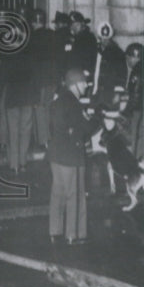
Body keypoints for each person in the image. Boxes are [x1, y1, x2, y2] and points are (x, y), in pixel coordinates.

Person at [47, 68, 100, 245]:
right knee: (76, 195)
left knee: (58, 193)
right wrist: (98, 118)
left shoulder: (56, 102)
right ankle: (74, 234)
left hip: (55, 155)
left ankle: (54, 231)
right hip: (72, 156)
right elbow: (86, 130)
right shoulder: (74, 104)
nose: (86, 85)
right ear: (75, 84)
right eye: (84, 82)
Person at [0, 18, 34, 174]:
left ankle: (14, 164)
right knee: (25, 130)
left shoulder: (6, 53)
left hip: (12, 95)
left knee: (13, 130)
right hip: (27, 95)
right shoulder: (29, 51)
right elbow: (34, 76)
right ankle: (23, 162)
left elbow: (2, 77)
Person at [27, 8, 57, 148]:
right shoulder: (52, 34)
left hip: (39, 80)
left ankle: (43, 140)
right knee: (49, 108)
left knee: (39, 109)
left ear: (33, 22)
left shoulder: (31, 38)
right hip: (52, 79)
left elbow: (30, 62)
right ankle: (51, 138)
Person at [91, 22, 127, 108]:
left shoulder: (118, 54)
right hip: (95, 92)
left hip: (109, 93)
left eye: (107, 39)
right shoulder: (95, 51)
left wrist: (118, 93)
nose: (105, 41)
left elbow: (122, 75)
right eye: (102, 39)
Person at [66, 10, 97, 78]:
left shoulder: (88, 38)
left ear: (79, 24)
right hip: (76, 74)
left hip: (83, 74)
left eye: (72, 25)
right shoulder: (76, 38)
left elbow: (87, 59)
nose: (71, 28)